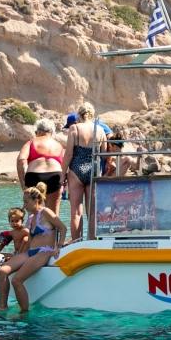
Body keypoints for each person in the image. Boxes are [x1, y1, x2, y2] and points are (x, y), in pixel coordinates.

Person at [0, 184, 64, 315]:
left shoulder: (46, 212)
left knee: (16, 280)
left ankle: (24, 313)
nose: (23, 205)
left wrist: (59, 246)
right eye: (23, 202)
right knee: (2, 271)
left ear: (36, 200)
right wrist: (17, 255)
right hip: (30, 252)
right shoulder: (31, 217)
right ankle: (2, 307)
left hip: (44, 252)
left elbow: (62, 228)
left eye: (26, 202)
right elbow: (29, 239)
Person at [62, 101, 107, 239]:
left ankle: (76, 241)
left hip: (76, 169)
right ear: (91, 115)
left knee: (76, 211)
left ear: (79, 115)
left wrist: (62, 174)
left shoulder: (74, 128)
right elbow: (104, 154)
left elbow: (69, 154)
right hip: (93, 170)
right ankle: (92, 240)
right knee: (92, 211)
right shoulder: (99, 130)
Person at [16, 119, 65, 210]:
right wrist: (64, 183)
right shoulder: (58, 145)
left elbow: (21, 160)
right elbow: (65, 165)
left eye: (35, 132)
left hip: (35, 176)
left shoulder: (31, 142)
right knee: (53, 214)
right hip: (55, 176)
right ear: (51, 132)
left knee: (34, 212)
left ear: (39, 131)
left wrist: (23, 184)